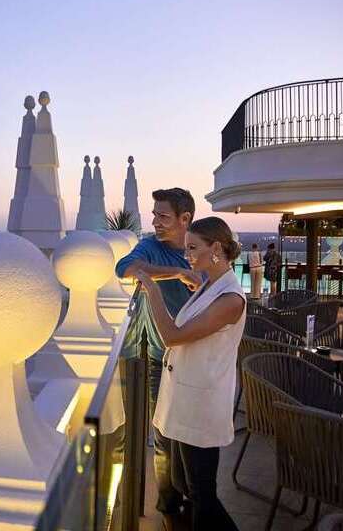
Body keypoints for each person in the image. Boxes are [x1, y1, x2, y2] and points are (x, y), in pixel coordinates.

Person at [134, 216, 245, 531]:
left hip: (202, 406)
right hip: (187, 399)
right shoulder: (210, 286)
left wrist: (152, 290)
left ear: (216, 249)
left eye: (193, 248)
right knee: (185, 483)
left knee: (202, 494)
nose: (187, 256)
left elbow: (172, 336)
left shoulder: (230, 299)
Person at [116, 188, 201, 528]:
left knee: (192, 435)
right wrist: (177, 274)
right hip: (158, 358)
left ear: (185, 219)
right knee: (163, 436)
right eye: (154, 215)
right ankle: (169, 506)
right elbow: (125, 268)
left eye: (163, 216)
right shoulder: (151, 246)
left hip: (196, 359)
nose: (155, 222)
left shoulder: (200, 247)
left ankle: (195, 499)